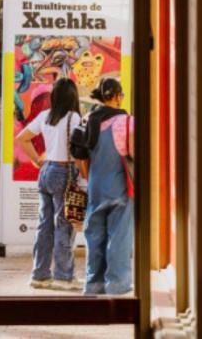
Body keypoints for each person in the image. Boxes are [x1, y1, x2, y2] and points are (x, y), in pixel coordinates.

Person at [16, 78, 83, 290]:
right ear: (73, 96)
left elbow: (22, 138)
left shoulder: (46, 116)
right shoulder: (74, 118)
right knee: (63, 224)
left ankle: (40, 274)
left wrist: (38, 160)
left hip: (46, 172)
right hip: (64, 171)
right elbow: (79, 151)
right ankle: (63, 276)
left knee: (45, 224)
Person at [80, 77, 134, 295]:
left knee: (94, 236)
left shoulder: (87, 119)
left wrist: (89, 177)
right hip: (119, 185)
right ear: (118, 96)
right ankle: (117, 283)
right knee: (119, 236)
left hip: (96, 186)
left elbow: (79, 156)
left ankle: (93, 284)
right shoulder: (126, 121)